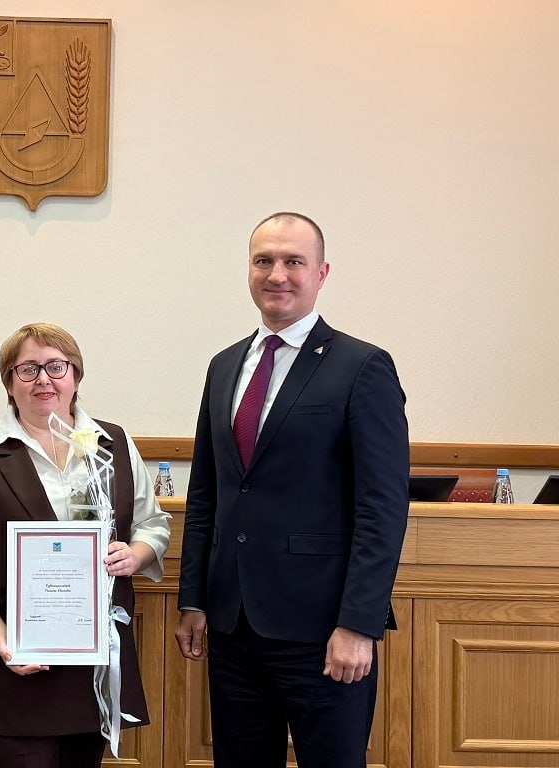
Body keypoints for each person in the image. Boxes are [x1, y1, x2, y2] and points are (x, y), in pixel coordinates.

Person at [176, 213, 410, 768]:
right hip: (232, 627)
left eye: (293, 262)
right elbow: (207, 493)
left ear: (321, 273)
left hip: (324, 632)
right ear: (249, 270)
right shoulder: (224, 365)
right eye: (264, 261)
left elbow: (381, 509)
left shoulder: (362, 366)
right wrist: (193, 599)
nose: (276, 274)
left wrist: (358, 625)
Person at [0, 322, 171, 768]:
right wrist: (3, 636)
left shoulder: (113, 444)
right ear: (9, 383)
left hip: (90, 663)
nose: (44, 379)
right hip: (7, 659)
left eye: (56, 367)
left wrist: (135, 554)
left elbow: (152, 524)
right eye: (28, 369)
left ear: (76, 375)